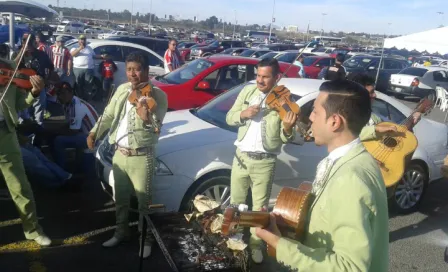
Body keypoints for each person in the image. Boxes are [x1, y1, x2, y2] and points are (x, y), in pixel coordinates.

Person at [255, 79, 389, 272]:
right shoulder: (352, 159)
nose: (310, 117)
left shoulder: (350, 178)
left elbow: (349, 267)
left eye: (316, 112)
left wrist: (280, 245)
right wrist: (286, 230)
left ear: (334, 122)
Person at [86, 52, 168, 258]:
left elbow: (157, 127)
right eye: (129, 69)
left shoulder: (157, 95)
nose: (133, 74)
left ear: (147, 72)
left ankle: (146, 239)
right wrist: (95, 131)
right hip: (120, 154)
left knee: (144, 203)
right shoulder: (122, 89)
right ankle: (121, 232)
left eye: (137, 70)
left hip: (142, 156)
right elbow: (109, 115)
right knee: (120, 199)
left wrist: (146, 117)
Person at [225, 57, 297, 264]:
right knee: (236, 205)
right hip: (240, 157)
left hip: (265, 161)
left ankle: (257, 245)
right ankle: (235, 241)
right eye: (258, 75)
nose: (260, 80)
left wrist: (288, 128)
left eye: (265, 77)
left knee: (259, 209)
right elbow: (230, 117)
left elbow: (286, 138)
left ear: (276, 77)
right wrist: (244, 113)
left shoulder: (284, 99)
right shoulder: (247, 92)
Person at [0, 57, 52, 246]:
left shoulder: (9, 68)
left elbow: (21, 104)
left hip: (5, 135)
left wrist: (35, 93)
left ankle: (32, 230)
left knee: (20, 187)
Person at [346, 73, 422, 141]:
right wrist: (375, 129)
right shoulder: (342, 116)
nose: (374, 95)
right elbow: (348, 135)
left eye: (374, 92)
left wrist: (411, 123)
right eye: (371, 92)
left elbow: (392, 136)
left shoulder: (374, 117)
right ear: (357, 95)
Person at [53, 82, 98, 173]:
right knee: (59, 134)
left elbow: (73, 131)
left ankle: (60, 171)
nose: (61, 96)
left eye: (64, 93)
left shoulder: (76, 106)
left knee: (59, 140)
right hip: (86, 133)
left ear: (71, 93)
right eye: (59, 94)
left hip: (92, 137)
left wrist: (55, 131)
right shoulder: (70, 102)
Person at [14, 33, 54, 126]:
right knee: (24, 110)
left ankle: (39, 128)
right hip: (23, 89)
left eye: (28, 42)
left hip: (38, 86)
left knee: (39, 109)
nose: (26, 45)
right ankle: (25, 129)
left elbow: (51, 67)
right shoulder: (18, 54)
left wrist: (47, 79)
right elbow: (13, 66)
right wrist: (22, 52)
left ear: (33, 42)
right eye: (24, 41)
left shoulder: (41, 54)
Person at [70, 35, 105, 100]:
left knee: (88, 84)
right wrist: (80, 48)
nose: (82, 41)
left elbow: (94, 56)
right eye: (81, 39)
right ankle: (79, 98)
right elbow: (72, 54)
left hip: (89, 69)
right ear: (78, 40)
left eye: (84, 39)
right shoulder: (74, 47)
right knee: (78, 84)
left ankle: (87, 99)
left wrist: (101, 56)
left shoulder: (89, 48)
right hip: (78, 69)